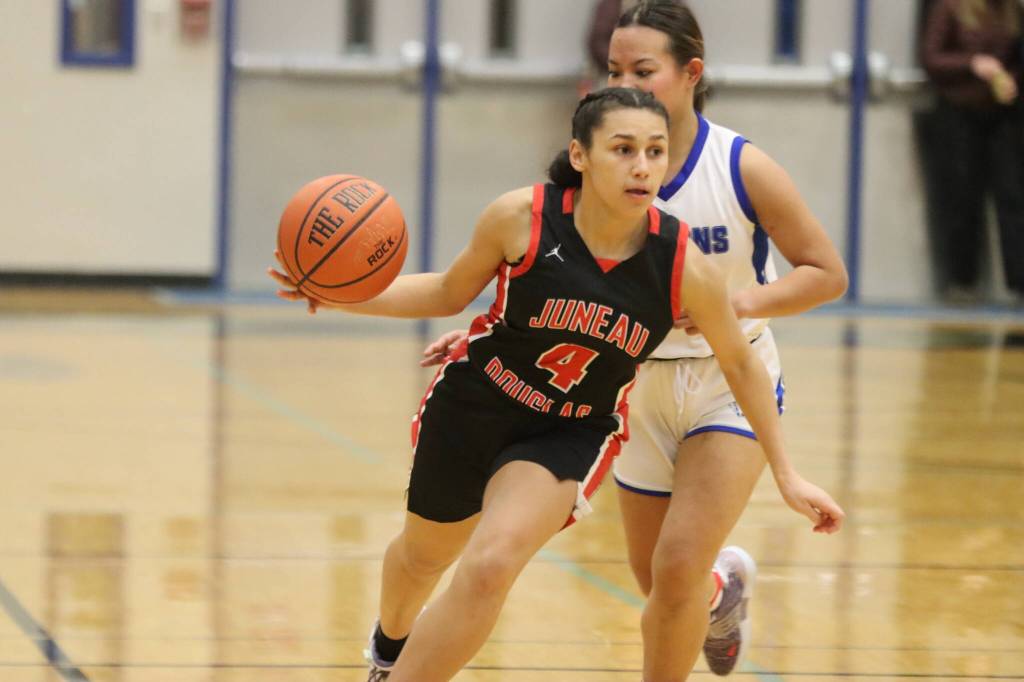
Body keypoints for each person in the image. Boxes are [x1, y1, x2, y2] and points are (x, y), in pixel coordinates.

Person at [269, 87, 844, 682]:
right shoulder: (521, 218)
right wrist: (339, 296)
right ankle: (389, 647)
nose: (642, 165)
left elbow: (743, 364)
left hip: (567, 430)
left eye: (655, 150)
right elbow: (447, 292)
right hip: (477, 403)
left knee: (490, 564)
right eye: (623, 149)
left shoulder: (682, 264)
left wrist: (786, 472)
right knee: (422, 557)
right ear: (580, 154)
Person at [420, 2, 849, 679]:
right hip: (628, 381)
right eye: (614, 68)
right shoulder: (600, 173)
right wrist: (491, 334)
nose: (624, 80)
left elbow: (828, 274)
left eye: (643, 69)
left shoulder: (741, 166)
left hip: (723, 379)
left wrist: (735, 302)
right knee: (660, 582)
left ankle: (699, 591)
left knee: (676, 568)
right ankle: (721, 593)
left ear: (690, 73)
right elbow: (559, 279)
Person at [921, 0, 1024, 302]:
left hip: (1003, 114)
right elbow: (932, 57)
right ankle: (962, 280)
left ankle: (1019, 282)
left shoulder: (1011, 10)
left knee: (1013, 197)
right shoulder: (951, 7)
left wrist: (1011, 81)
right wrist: (971, 64)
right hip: (959, 112)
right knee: (962, 198)